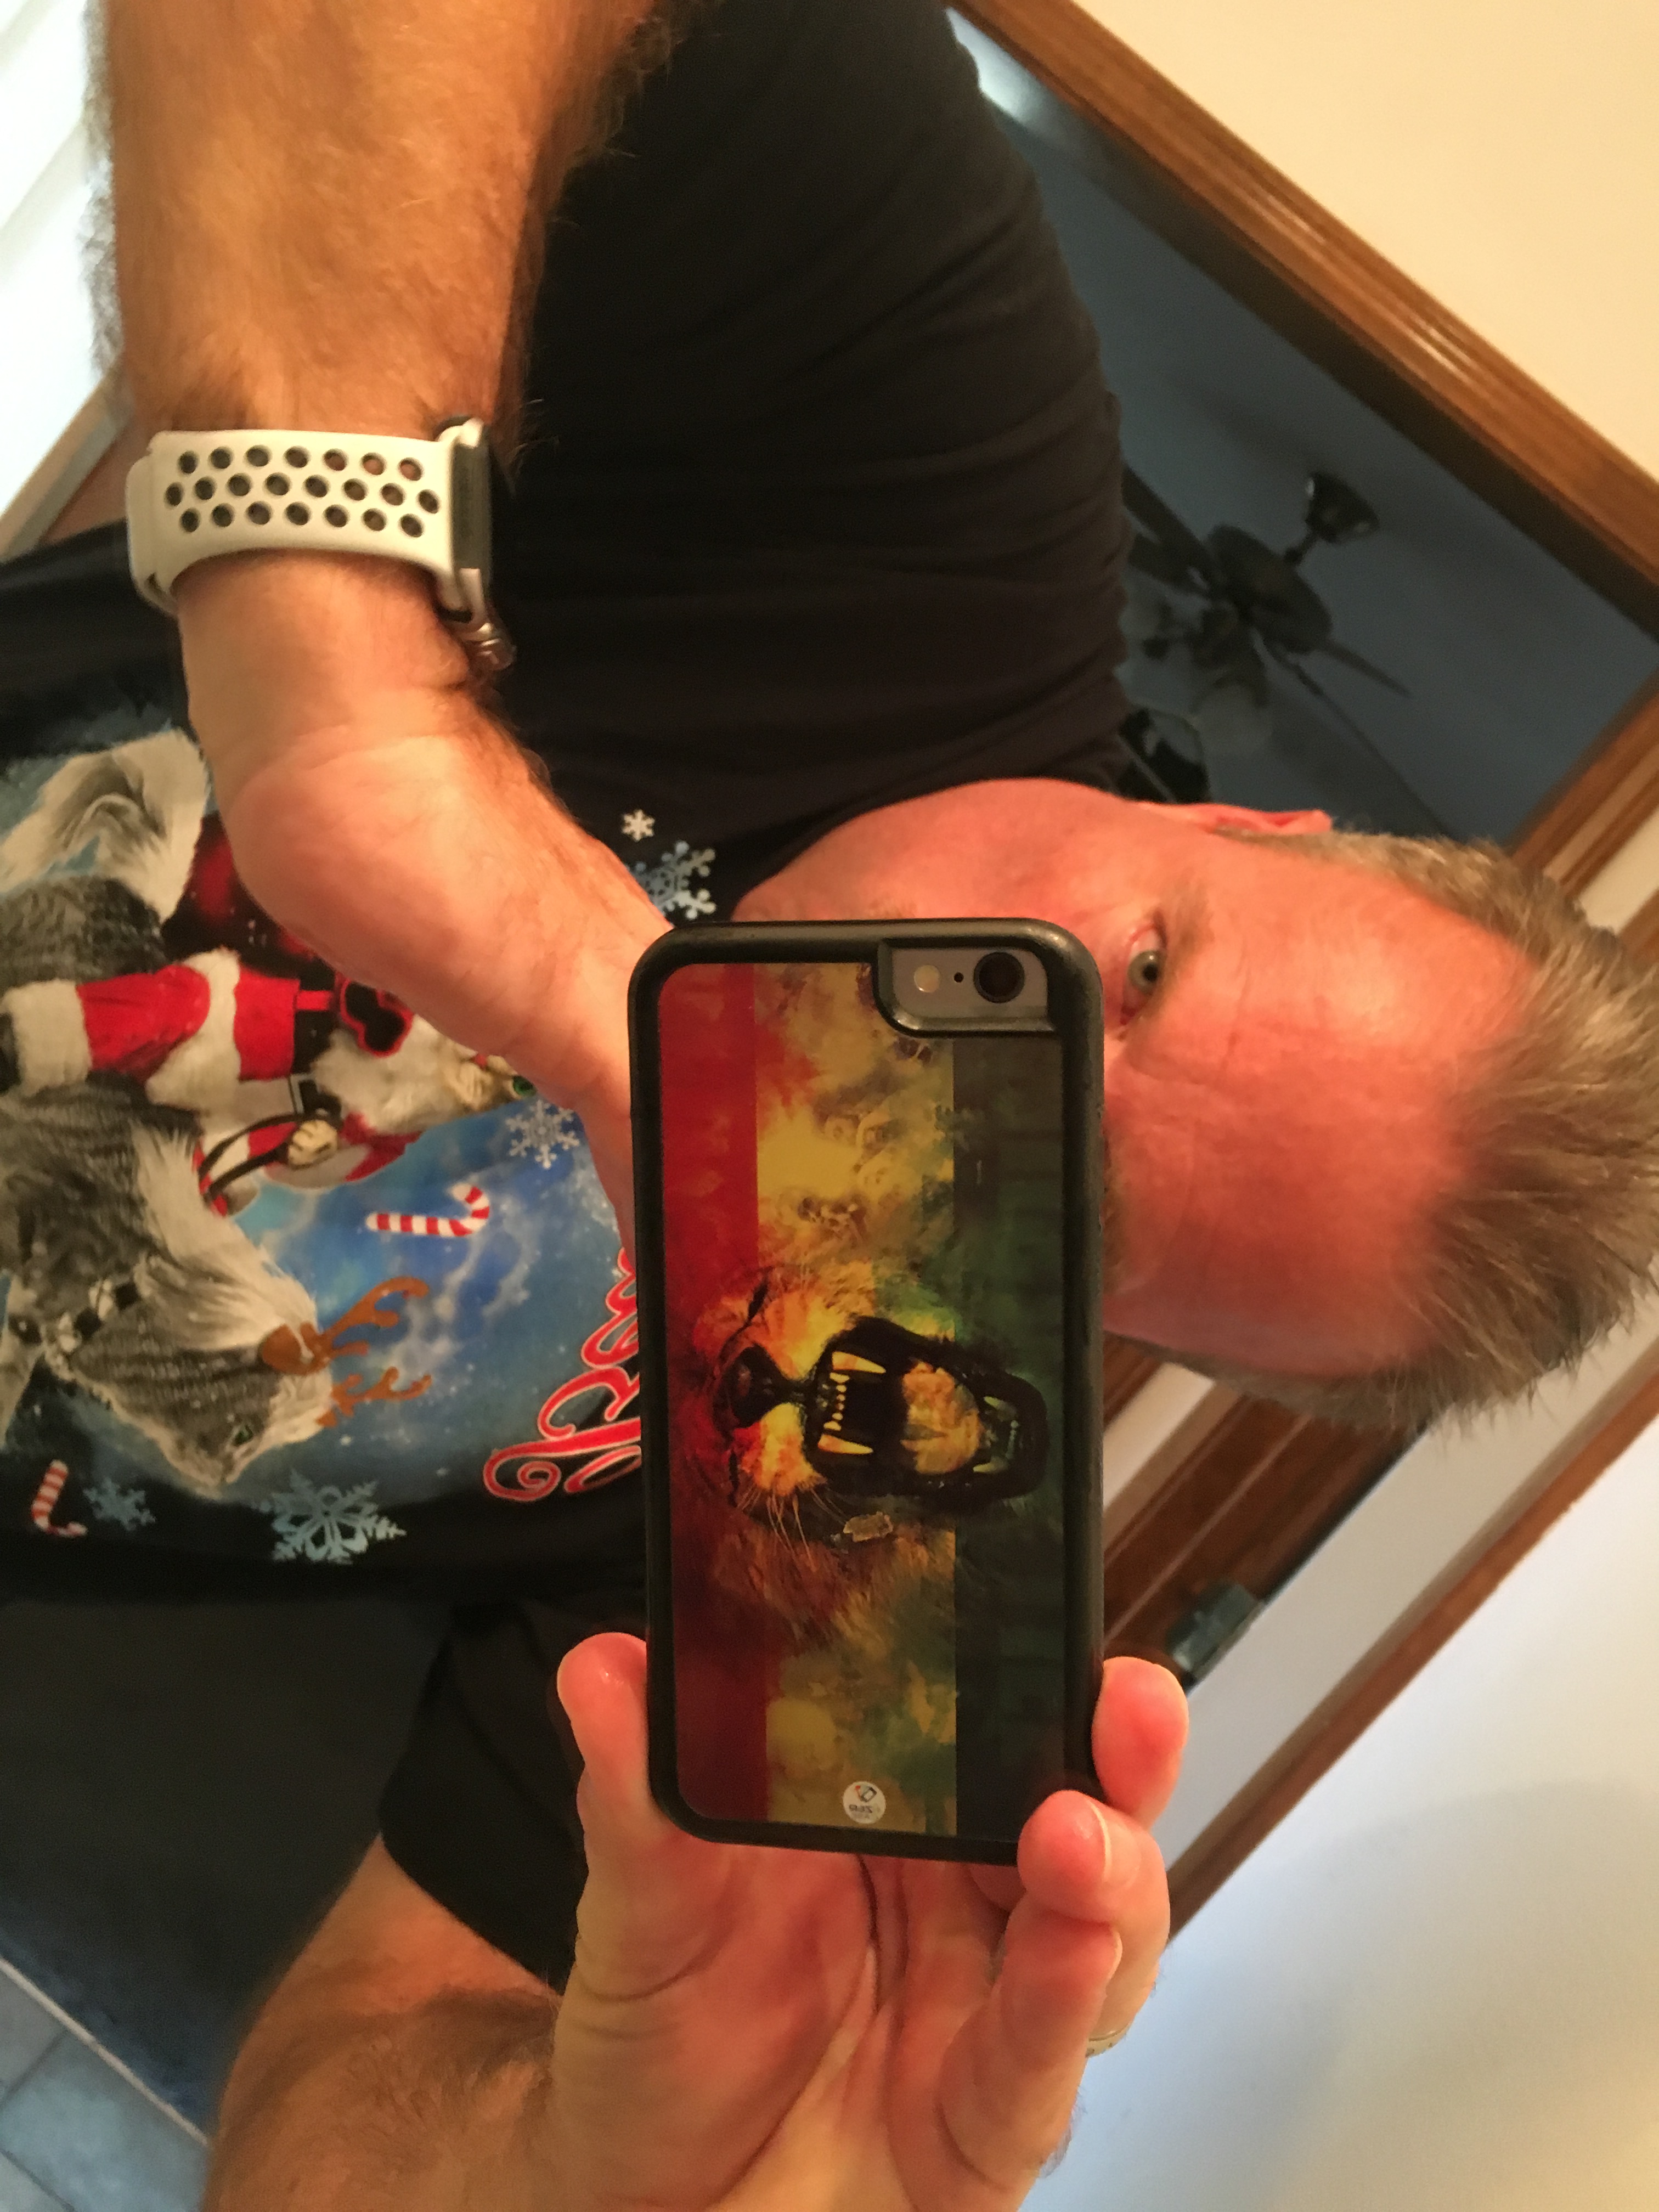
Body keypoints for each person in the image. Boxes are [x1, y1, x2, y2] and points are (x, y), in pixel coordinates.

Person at [5, 0, 1644, 2200]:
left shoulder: (827, 1504)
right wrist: (345, 691)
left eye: (1089, 1214)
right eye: (1140, 974)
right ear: (1242, 825)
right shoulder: (925, 490)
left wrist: (570, 2161)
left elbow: (334, 2117)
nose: (997, 1076)